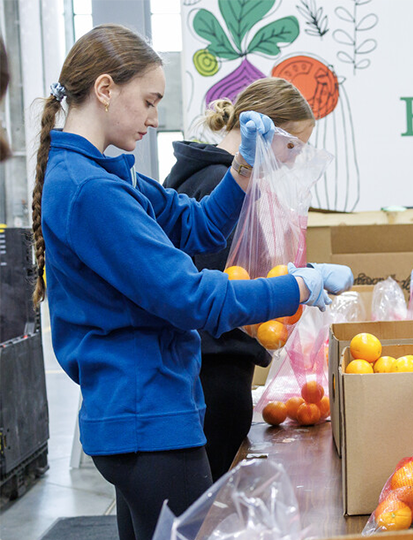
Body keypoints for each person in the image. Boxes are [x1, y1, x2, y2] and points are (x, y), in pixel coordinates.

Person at [32, 25, 351, 540]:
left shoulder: (109, 175)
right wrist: (298, 287)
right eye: (149, 101)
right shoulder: (90, 190)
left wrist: (243, 166)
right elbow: (188, 295)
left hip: (142, 412)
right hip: (147, 415)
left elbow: (196, 224)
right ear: (106, 89)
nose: (156, 118)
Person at [164, 77, 315, 481]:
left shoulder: (204, 177)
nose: (294, 161)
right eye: (293, 146)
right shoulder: (216, 185)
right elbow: (220, 290)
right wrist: (289, 292)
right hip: (213, 369)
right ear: (269, 130)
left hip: (210, 365)